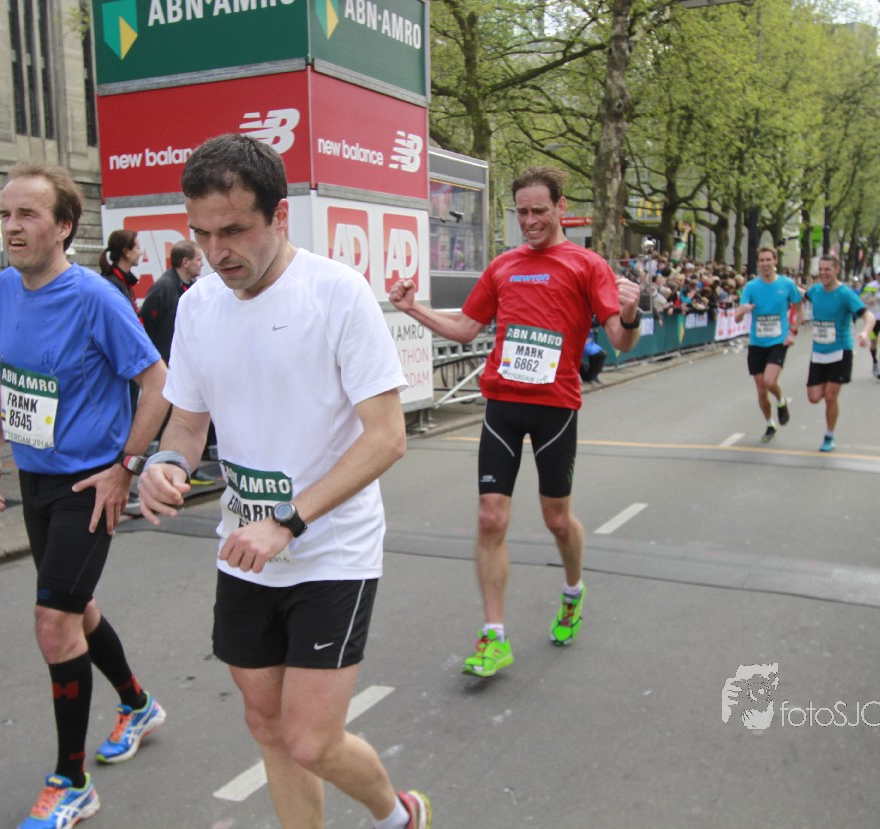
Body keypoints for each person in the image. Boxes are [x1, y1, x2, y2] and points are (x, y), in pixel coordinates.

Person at [138, 134, 430, 829]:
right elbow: (188, 424)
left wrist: (288, 521)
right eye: (202, 233)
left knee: (310, 739)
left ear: (280, 217)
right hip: (244, 549)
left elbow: (386, 437)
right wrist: (165, 464)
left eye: (235, 230)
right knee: (267, 726)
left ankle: (398, 815)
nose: (217, 251)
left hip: (331, 549)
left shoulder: (336, 294)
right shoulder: (198, 306)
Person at [0, 162, 170, 829]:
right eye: (5, 214)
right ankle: (138, 704)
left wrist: (126, 468)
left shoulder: (96, 298)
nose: (11, 227)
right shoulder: (6, 285)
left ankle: (72, 779)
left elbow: (157, 383)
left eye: (26, 214)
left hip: (87, 484)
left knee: (52, 621)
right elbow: (7, 374)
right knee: (76, 608)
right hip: (35, 476)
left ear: (63, 226)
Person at [389, 165, 641, 678]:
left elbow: (620, 340)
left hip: (556, 408)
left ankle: (572, 591)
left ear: (561, 207)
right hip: (502, 405)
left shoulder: (587, 265)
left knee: (556, 520)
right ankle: (494, 635)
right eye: (522, 212)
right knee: (490, 517)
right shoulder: (504, 266)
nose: (530, 221)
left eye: (539, 211)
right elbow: (465, 328)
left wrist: (633, 313)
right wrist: (414, 309)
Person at [804, 255, 875, 453]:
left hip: (840, 350)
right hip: (819, 351)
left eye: (827, 269)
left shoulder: (845, 294)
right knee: (813, 397)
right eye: (821, 269)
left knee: (830, 396)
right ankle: (827, 391)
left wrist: (865, 332)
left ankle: (829, 435)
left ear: (836, 270)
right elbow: (800, 295)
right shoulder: (815, 290)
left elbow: (868, 315)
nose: (823, 273)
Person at [734, 247, 804, 443]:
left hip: (778, 340)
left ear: (775, 261)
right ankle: (770, 424)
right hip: (757, 342)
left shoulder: (787, 284)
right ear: (758, 263)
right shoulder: (751, 287)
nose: (765, 264)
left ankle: (781, 400)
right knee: (761, 390)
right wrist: (743, 310)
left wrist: (793, 332)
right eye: (762, 260)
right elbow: (737, 318)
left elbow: (800, 310)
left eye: (768, 260)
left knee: (770, 381)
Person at [139, 239, 202, 365]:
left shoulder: (193, 287)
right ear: (185, 262)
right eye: (198, 260)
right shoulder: (164, 287)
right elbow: (146, 322)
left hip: (185, 359)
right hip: (164, 361)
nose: (202, 264)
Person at [99, 229, 143, 312]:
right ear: (126, 252)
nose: (141, 253)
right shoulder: (112, 284)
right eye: (138, 248)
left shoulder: (124, 282)